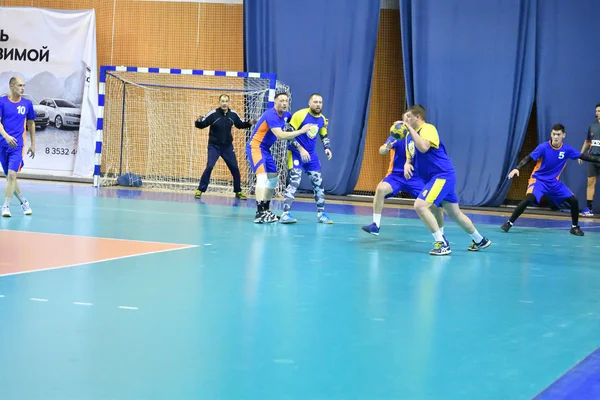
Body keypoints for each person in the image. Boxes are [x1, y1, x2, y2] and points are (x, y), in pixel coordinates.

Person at [400, 104, 491, 255]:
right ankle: (479, 239)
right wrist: (406, 164)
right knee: (454, 213)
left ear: (418, 117)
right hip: (432, 178)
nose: (406, 119)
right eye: (405, 117)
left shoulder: (428, 129)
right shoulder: (409, 137)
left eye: (409, 117)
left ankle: (442, 244)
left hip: (441, 176)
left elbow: (423, 147)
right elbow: (411, 156)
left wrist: (409, 128)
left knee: (420, 206)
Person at [501, 123, 600, 235]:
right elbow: (528, 158)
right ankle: (509, 223)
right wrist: (517, 168)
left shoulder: (567, 150)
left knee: (574, 201)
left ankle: (574, 227)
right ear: (551, 134)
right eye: (554, 134)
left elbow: (584, 156)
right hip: (538, 180)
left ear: (564, 135)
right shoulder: (543, 147)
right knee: (528, 199)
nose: (556, 137)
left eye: (558, 134)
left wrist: (598, 160)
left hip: (554, 183)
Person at [246, 92, 316, 223]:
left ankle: (266, 210)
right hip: (255, 147)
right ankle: (259, 213)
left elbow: (296, 122)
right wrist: (301, 131)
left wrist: (317, 123)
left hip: (265, 150)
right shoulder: (270, 114)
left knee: (273, 179)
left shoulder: (286, 115)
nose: (284, 103)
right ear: (275, 102)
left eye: (286, 101)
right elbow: (281, 135)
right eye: (281, 101)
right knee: (262, 178)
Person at [362, 128, 445, 236]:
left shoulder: (423, 136)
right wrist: (386, 148)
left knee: (437, 205)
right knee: (381, 188)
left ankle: (441, 235)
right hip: (396, 176)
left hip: (416, 177)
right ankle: (375, 225)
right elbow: (382, 150)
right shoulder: (398, 135)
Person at [280, 93, 333, 224]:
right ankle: (285, 214)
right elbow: (288, 134)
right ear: (309, 103)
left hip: (311, 155)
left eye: (320, 102)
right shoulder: (300, 115)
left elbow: (323, 134)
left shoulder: (322, 119)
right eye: (315, 102)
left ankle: (321, 214)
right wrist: (300, 149)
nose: (318, 104)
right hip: (295, 153)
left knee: (318, 184)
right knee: (295, 182)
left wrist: (327, 147)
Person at [194, 94, 256, 200]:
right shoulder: (213, 114)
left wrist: (249, 123)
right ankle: (200, 190)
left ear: (229, 102)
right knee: (209, 166)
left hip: (227, 147)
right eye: (222, 101)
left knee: (235, 168)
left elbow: (240, 124)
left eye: (226, 101)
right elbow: (202, 124)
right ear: (219, 102)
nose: (224, 103)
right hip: (214, 146)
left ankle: (238, 191)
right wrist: (198, 122)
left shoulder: (233, 115)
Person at [0, 77, 35, 218]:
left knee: (13, 175)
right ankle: (23, 201)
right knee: (10, 178)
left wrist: (33, 144)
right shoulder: (2, 102)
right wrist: (6, 136)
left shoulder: (27, 104)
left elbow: (31, 124)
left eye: (24, 85)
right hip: (3, 144)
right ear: (11, 86)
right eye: (20, 85)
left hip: (17, 146)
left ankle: (6, 206)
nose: (22, 88)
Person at [578, 103, 600, 216]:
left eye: (599, 111)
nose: (597, 113)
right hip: (592, 158)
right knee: (590, 183)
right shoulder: (592, 125)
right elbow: (587, 141)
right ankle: (589, 209)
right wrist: (581, 154)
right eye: (596, 111)